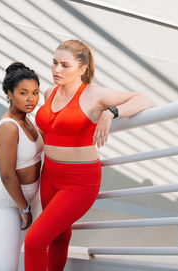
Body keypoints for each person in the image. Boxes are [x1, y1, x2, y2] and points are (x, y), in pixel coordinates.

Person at [24, 39, 155, 271]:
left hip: (79, 181)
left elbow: (144, 99)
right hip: (50, 174)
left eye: (65, 65)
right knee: (58, 238)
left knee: (34, 242)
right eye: (54, 63)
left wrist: (111, 113)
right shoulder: (49, 92)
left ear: (82, 69)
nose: (56, 70)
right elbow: (48, 132)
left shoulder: (94, 95)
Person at [0, 62, 43, 271]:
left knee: (38, 250)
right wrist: (24, 209)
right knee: (6, 265)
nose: (31, 99)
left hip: (32, 196)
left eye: (35, 92)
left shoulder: (28, 120)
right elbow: (7, 176)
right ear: (9, 94)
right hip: (8, 201)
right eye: (23, 93)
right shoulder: (8, 126)